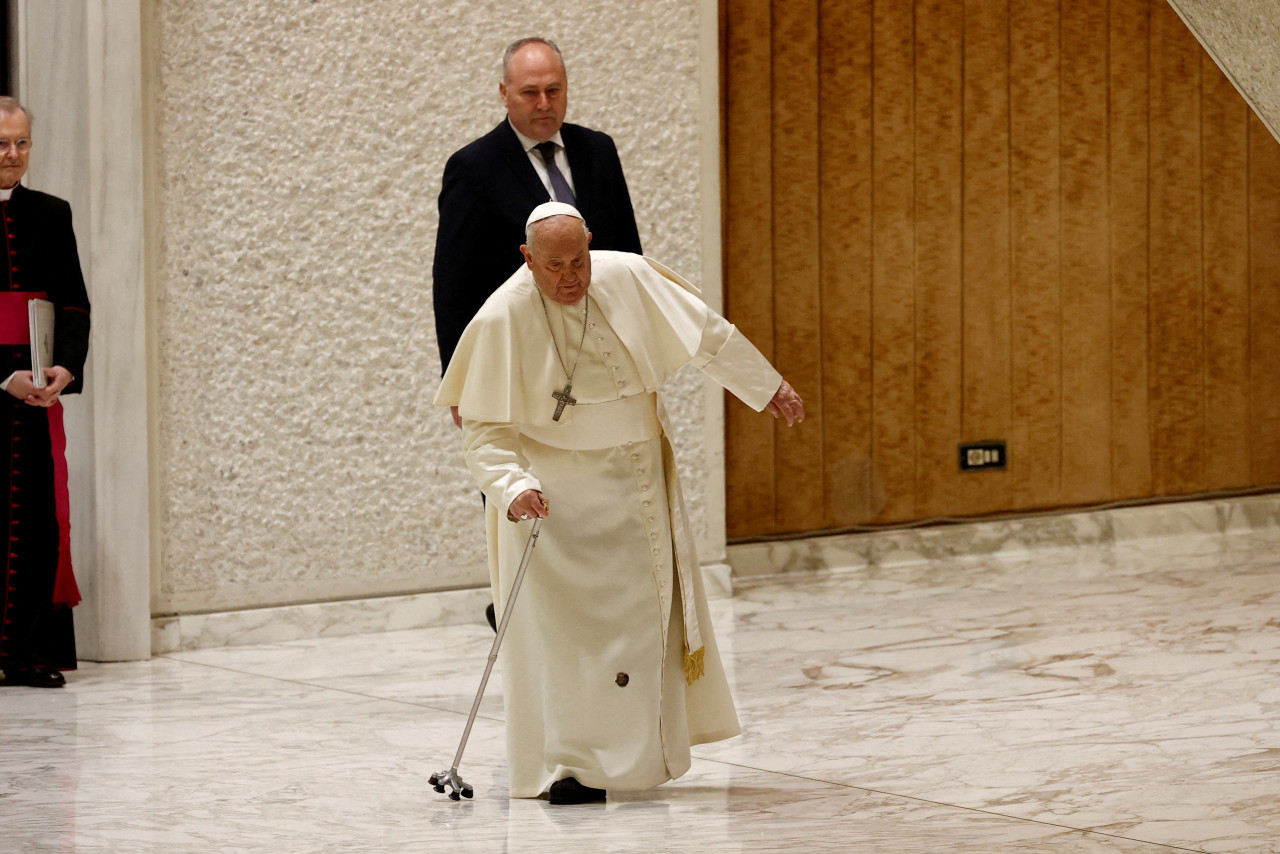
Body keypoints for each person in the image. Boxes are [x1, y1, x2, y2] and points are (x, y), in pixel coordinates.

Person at [434, 202, 804, 804]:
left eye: (578, 260)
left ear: (590, 245)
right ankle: (569, 766)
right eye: (554, 266)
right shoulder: (502, 316)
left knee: (640, 629)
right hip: (555, 501)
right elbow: (485, 431)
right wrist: (511, 486)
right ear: (528, 259)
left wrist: (766, 386)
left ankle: (638, 760)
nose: (571, 277)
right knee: (567, 643)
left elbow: (706, 335)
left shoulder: (627, 275)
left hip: (636, 486)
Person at [434, 36, 643, 630]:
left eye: (554, 90)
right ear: (504, 94)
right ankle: (519, 610)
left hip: (595, 361)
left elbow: (628, 255)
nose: (544, 103)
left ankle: (596, 609)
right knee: (521, 483)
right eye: (530, 92)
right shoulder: (474, 168)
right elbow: (454, 283)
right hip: (518, 362)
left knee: (596, 488)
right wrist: (461, 379)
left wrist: (637, 345)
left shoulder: (597, 151)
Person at [0, 97, 92, 689]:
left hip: (36, 394)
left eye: (22, 142)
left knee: (35, 523)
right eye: (1, 144)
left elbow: (74, 303)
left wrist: (64, 368)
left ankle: (28, 653)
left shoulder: (51, 213)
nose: (12, 155)